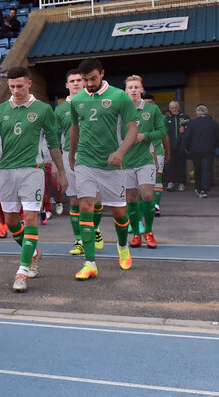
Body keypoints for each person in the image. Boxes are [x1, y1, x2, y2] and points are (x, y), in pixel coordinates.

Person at [0, 67, 66, 292]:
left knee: (32, 218)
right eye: (12, 86)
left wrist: (60, 171)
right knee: (12, 221)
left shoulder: (43, 109)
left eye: (19, 86)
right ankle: (33, 252)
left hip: (32, 171)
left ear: (29, 84)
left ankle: (22, 271)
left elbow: (53, 142)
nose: (15, 90)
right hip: (5, 172)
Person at [67, 58, 139, 281]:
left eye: (93, 79)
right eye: (85, 80)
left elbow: (133, 128)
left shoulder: (119, 96)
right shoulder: (77, 99)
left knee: (119, 212)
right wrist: (71, 154)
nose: (88, 83)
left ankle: (122, 245)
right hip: (86, 161)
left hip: (112, 164)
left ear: (102, 74)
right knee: (86, 206)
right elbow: (75, 128)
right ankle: (90, 263)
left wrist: (120, 152)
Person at [55, 69, 96, 256]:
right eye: (72, 81)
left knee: (93, 199)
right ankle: (79, 240)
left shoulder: (94, 103)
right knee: (74, 199)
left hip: (92, 155)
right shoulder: (60, 109)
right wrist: (57, 166)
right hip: (68, 156)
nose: (76, 83)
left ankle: (94, 231)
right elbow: (54, 137)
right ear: (67, 85)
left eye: (80, 80)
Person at [122, 76, 165, 249]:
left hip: (146, 160)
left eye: (136, 87)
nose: (133, 90)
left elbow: (162, 131)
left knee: (147, 195)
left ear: (142, 89)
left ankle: (148, 231)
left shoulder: (152, 109)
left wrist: (145, 136)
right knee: (131, 198)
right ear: (125, 91)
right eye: (130, 87)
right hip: (126, 162)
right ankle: (136, 235)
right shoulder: (120, 110)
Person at [180, 104, 219, 198]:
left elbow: (186, 137)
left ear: (197, 113)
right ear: (206, 113)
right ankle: (204, 190)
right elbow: (218, 138)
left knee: (198, 169)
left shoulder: (192, 123)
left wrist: (187, 148)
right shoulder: (213, 123)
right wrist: (214, 147)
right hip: (208, 150)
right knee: (206, 170)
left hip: (195, 151)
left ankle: (198, 188)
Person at [164, 100, 190, 193]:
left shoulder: (185, 117)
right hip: (170, 146)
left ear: (178, 108)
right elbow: (165, 133)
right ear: (170, 109)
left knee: (181, 165)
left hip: (182, 146)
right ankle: (170, 183)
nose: (174, 109)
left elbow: (189, 130)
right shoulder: (167, 119)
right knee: (170, 165)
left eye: (176, 107)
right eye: (172, 108)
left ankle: (181, 183)